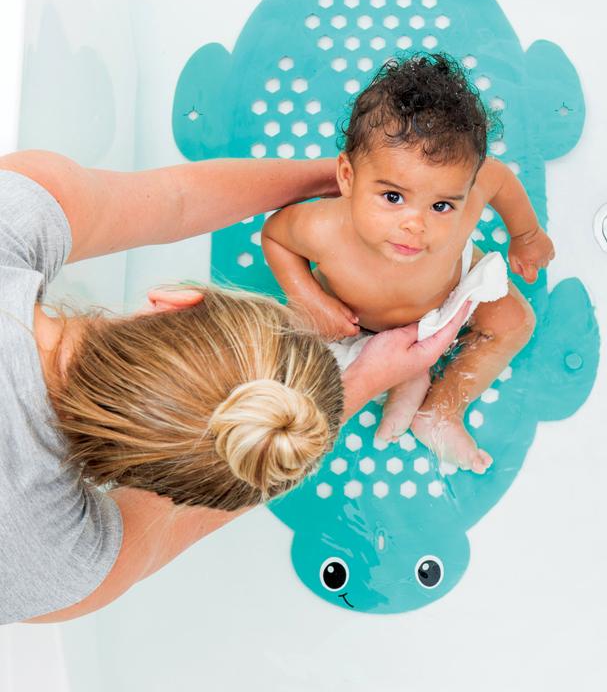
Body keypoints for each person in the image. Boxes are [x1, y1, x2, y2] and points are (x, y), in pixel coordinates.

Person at [0, 148, 470, 626]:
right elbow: (161, 530)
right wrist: (364, 379)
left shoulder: (13, 216)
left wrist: (364, 182)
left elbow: (176, 200)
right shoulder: (46, 564)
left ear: (176, 302)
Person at [262, 53, 555, 474]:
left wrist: (526, 235)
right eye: (393, 197)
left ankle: (439, 410)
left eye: (441, 205)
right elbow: (274, 236)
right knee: (293, 350)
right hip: (351, 321)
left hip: (444, 303)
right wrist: (308, 296)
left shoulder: (471, 192)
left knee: (515, 322)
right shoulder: (322, 229)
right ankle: (402, 375)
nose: (415, 225)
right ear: (347, 177)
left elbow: (501, 180)